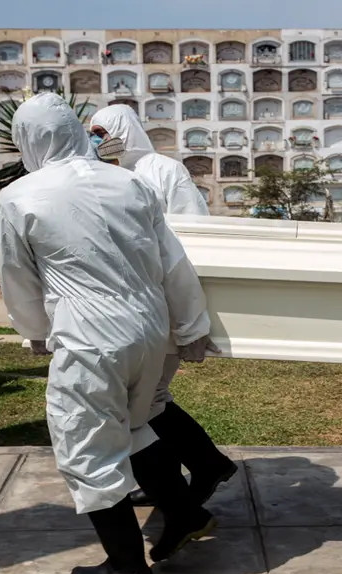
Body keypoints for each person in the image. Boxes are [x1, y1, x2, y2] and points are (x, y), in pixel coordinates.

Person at [0, 93, 217, 574]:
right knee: (137, 425)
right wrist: (191, 327)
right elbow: (172, 261)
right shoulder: (130, 183)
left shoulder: (20, 196)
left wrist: (35, 331)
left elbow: (17, 276)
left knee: (86, 446)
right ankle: (184, 514)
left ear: (27, 140)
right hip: (149, 329)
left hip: (90, 335)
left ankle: (126, 567)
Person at [90, 105, 237, 508]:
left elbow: (193, 232)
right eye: (93, 134)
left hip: (169, 294)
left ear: (124, 129)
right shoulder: (106, 176)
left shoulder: (163, 171)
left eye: (102, 132)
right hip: (135, 298)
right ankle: (195, 468)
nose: (97, 141)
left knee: (148, 396)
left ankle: (197, 468)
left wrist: (190, 315)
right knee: (150, 395)